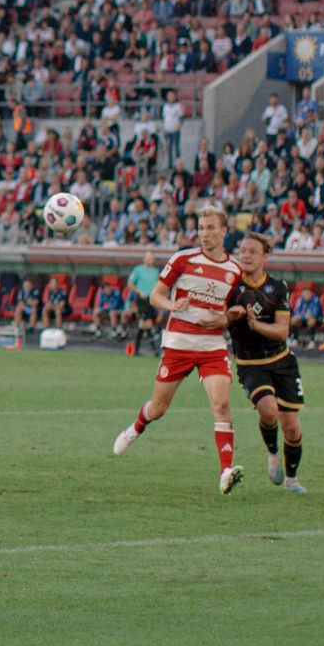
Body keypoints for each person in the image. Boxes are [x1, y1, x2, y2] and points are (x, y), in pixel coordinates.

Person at [111, 206, 246, 495]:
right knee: (158, 408)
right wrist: (173, 305)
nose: (205, 234)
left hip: (212, 346)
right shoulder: (183, 259)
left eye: (211, 228)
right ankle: (136, 427)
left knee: (221, 404)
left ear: (224, 231)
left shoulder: (235, 270)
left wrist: (221, 319)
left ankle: (225, 471)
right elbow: (156, 295)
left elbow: (235, 312)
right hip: (178, 344)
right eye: (201, 228)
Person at [225, 232, 306, 492]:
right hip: (250, 364)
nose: (246, 255)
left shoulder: (277, 287)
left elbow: (282, 331)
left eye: (252, 251)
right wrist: (228, 316)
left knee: (292, 427)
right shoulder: (231, 288)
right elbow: (217, 319)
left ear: (264, 256)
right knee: (269, 410)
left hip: (282, 361)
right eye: (243, 251)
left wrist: (254, 324)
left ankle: (292, 479)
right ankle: (272, 453)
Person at [125, 249, 161, 353]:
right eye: (147, 257)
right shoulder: (138, 270)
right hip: (142, 299)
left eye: (151, 258)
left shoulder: (156, 271)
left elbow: (159, 285)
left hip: (152, 300)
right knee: (146, 321)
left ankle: (136, 349)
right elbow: (130, 284)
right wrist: (140, 292)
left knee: (143, 324)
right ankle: (154, 349)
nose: (149, 259)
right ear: (144, 259)